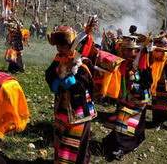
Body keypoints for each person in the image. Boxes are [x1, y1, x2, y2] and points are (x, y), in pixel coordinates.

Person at [45, 25, 97, 164]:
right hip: (62, 108)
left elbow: (87, 86)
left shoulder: (83, 63)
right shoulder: (58, 59)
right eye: (58, 46)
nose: (60, 49)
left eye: (63, 45)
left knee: (77, 143)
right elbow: (49, 74)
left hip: (79, 111)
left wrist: (72, 81)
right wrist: (56, 82)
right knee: (60, 139)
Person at [103, 36, 152, 160]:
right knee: (125, 122)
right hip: (125, 97)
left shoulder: (141, 61)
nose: (131, 53)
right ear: (122, 50)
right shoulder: (121, 62)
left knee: (129, 123)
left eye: (133, 50)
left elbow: (147, 80)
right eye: (128, 50)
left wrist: (137, 83)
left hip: (138, 98)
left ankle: (122, 147)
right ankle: (126, 141)